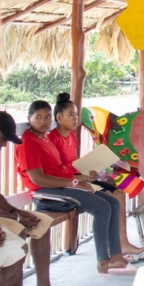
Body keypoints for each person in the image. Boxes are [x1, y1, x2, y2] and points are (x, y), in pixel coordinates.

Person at [15, 100, 134, 276]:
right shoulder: (28, 142)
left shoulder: (44, 138)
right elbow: (38, 179)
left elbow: (58, 170)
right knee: (101, 207)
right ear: (29, 119)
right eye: (38, 117)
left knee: (113, 202)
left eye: (47, 117)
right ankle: (103, 262)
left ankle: (116, 256)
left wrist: (78, 179)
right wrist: (74, 183)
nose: (44, 121)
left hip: (61, 186)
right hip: (44, 193)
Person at [47, 93, 144, 256]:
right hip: (65, 184)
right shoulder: (52, 138)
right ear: (59, 117)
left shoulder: (70, 136)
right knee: (109, 200)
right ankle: (109, 250)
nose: (76, 119)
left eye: (76, 115)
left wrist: (89, 171)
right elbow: (56, 171)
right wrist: (80, 178)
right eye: (71, 115)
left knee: (119, 194)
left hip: (77, 178)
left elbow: (72, 165)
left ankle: (122, 243)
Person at [0, 111, 62, 286]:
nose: (4, 145)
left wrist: (16, 211)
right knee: (18, 238)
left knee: (41, 222)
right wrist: (15, 217)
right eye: (3, 139)